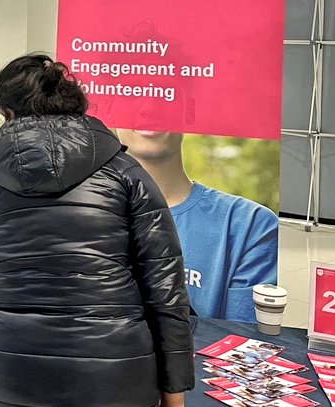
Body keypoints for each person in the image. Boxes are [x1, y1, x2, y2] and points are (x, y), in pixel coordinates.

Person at [0, 54, 194, 407]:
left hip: (12, 390)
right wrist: (173, 401)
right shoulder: (127, 173)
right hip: (114, 393)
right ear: (75, 106)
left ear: (8, 113)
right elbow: (166, 293)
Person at [118, 129, 278, 322]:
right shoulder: (76, 215)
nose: (148, 110)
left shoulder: (249, 224)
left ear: (191, 111)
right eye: (137, 97)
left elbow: (242, 344)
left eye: (168, 98)